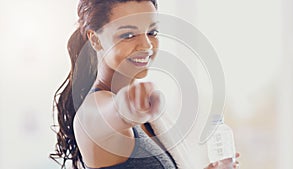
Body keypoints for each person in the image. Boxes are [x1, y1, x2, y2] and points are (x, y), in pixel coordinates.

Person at [50, 0, 240, 169]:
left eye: (152, 32)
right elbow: (109, 113)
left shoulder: (146, 116)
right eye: (128, 35)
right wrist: (123, 108)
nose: (147, 45)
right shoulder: (93, 111)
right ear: (96, 40)